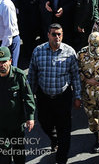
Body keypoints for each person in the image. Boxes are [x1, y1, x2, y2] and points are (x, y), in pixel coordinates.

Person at [27, 23, 82, 164]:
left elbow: (75, 76)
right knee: (45, 123)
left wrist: (77, 96)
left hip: (63, 97)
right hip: (44, 96)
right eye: (54, 34)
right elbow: (32, 75)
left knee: (64, 129)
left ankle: (61, 159)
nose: (57, 37)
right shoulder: (38, 51)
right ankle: (54, 138)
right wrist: (29, 97)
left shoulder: (69, 52)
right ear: (48, 35)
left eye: (59, 34)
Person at [0, 46, 35, 164]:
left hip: (16, 123)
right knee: (3, 152)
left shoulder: (19, 75)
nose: (2, 65)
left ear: (10, 61)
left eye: (4, 61)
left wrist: (30, 117)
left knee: (18, 152)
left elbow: (28, 97)